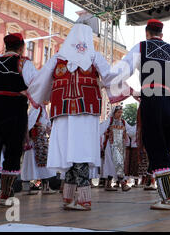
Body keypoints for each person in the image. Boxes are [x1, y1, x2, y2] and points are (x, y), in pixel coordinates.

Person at [28, 15, 128, 211]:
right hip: (86, 111)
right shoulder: (93, 56)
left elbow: (40, 82)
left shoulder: (58, 57)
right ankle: (80, 199)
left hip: (63, 111)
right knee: (80, 152)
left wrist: (40, 95)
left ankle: (72, 198)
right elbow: (109, 77)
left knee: (68, 153)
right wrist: (128, 90)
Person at [107, 19, 170, 210]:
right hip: (168, 102)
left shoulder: (141, 47)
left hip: (151, 99)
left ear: (147, 33)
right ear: (162, 35)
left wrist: (126, 89)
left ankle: (169, 197)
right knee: (163, 148)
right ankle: (169, 194)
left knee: (156, 148)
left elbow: (120, 71)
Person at [0, 33, 37, 210]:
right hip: (14, 109)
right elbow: (34, 85)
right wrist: (27, 95)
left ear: (5, 46)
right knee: (13, 150)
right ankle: (5, 194)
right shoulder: (24, 63)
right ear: (21, 47)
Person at [20, 102, 56, 195]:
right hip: (35, 140)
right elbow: (28, 125)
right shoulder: (36, 108)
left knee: (43, 161)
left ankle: (45, 187)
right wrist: (27, 141)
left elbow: (47, 125)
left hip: (41, 138)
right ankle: (26, 187)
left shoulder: (43, 108)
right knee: (30, 162)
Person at [100, 105, 135, 191]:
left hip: (119, 146)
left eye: (121, 112)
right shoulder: (109, 121)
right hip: (110, 146)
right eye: (118, 112)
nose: (120, 114)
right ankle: (122, 184)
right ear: (114, 113)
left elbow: (131, 131)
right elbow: (100, 129)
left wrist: (139, 127)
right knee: (112, 164)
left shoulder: (123, 122)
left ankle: (109, 185)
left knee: (117, 164)